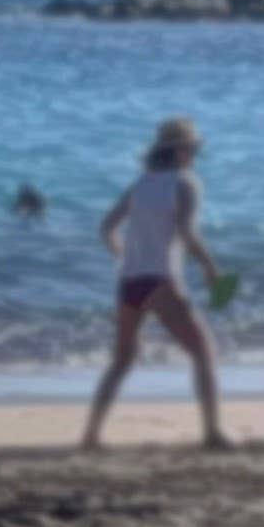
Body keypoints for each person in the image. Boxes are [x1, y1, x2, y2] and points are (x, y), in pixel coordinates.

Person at [82, 117, 230, 451]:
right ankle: (212, 433)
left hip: (129, 281)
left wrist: (125, 257)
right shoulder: (186, 183)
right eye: (193, 149)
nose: (195, 155)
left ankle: (90, 435)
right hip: (161, 279)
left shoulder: (140, 184)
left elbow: (106, 228)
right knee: (203, 352)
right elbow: (188, 232)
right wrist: (211, 268)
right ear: (180, 151)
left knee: (121, 360)